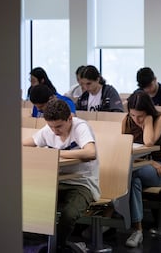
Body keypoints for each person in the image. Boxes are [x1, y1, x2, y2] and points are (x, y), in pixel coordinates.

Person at [22, 99, 100, 252]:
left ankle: (58, 246)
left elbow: (91, 152)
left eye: (59, 126)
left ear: (70, 118)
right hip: (56, 181)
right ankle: (43, 245)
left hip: (82, 183)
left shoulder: (80, 127)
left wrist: (58, 153)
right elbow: (26, 143)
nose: (55, 131)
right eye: (51, 126)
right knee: (29, 204)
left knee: (68, 215)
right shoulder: (49, 129)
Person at [121, 90, 161, 248]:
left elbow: (149, 143)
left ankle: (109, 211)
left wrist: (147, 121)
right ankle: (138, 230)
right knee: (133, 180)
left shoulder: (159, 118)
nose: (136, 119)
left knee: (126, 173)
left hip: (158, 169)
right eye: (133, 115)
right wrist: (147, 162)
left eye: (140, 115)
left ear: (148, 111)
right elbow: (124, 149)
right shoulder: (126, 120)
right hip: (137, 167)